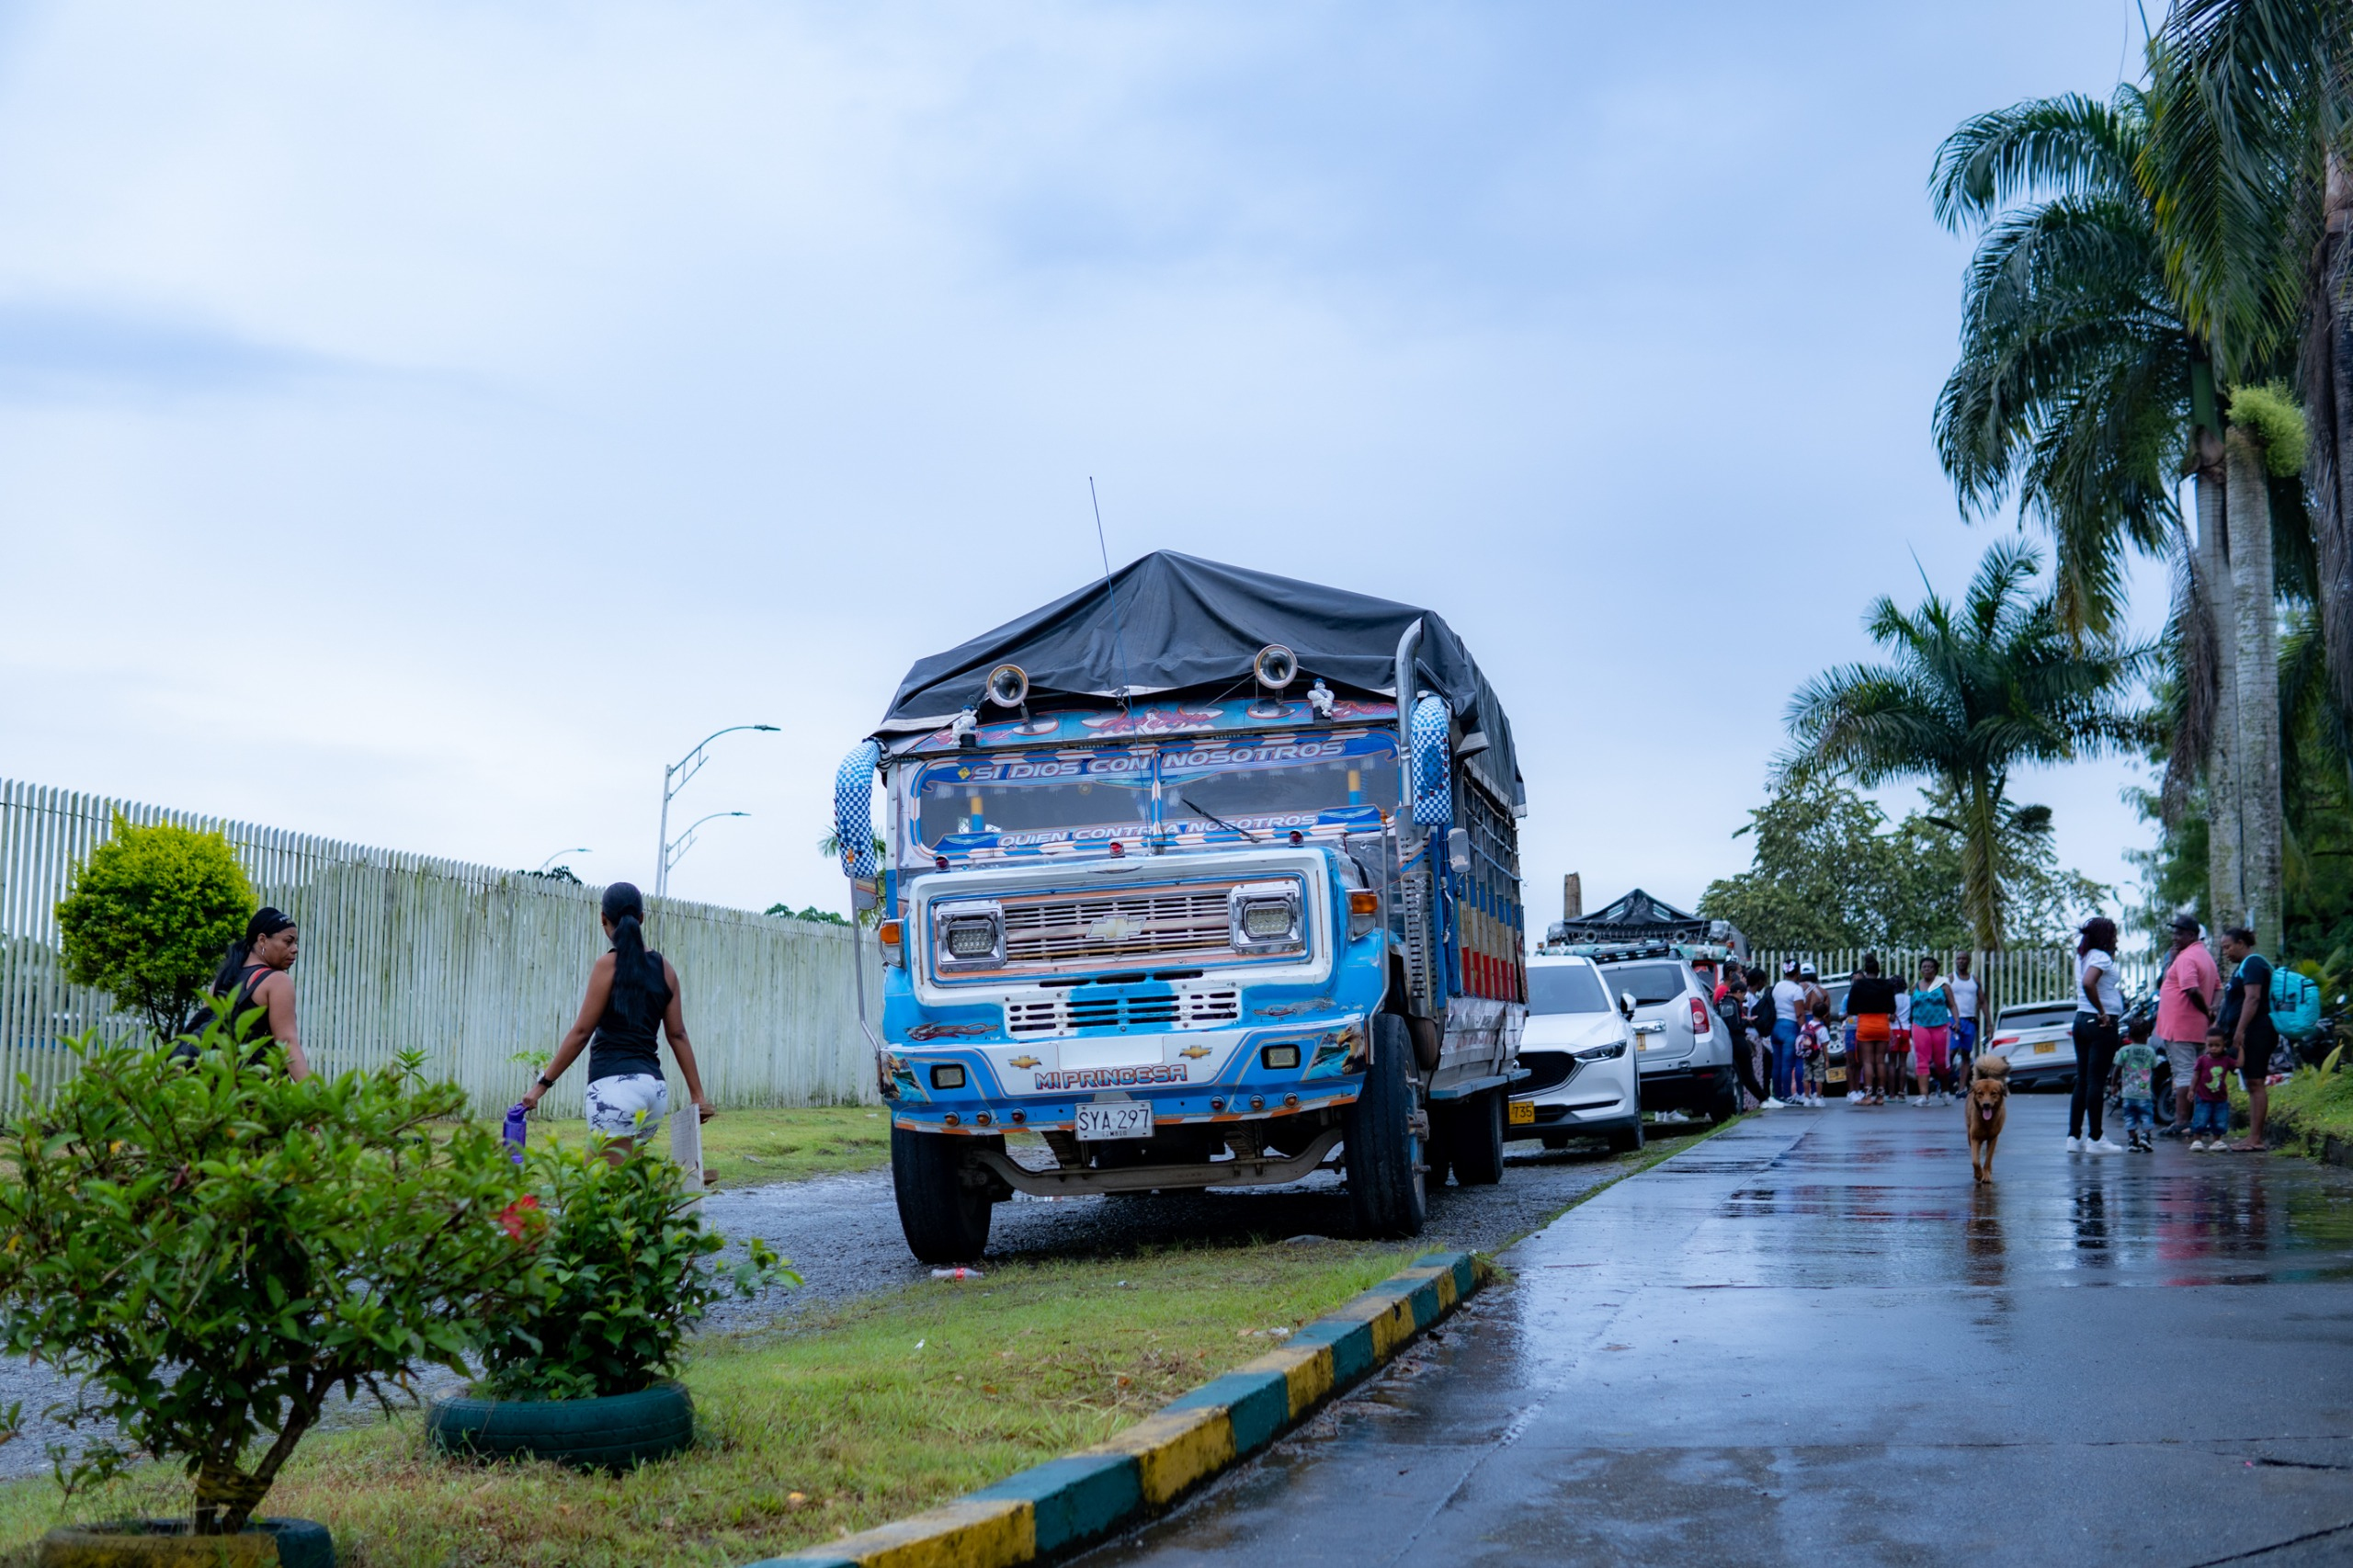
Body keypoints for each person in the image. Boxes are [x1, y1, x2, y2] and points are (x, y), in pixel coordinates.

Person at [522, 881, 714, 1159]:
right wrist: (698, 1096)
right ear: (641, 918)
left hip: (615, 1092)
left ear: (603, 919)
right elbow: (678, 1035)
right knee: (625, 1186)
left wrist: (542, 1085)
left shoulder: (607, 966)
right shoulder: (665, 969)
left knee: (599, 1191)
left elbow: (581, 1032)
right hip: (654, 1092)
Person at [195, 906, 311, 1078]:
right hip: (256, 1091)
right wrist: (312, 1094)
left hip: (218, 1091)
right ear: (262, 940)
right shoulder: (278, 981)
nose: (295, 949)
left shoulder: (224, 979)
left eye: (296, 943)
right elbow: (287, 1042)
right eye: (288, 941)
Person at [2154, 915, 2221, 1137]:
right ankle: (2196, 1120)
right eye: (2174, 933)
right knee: (2197, 1073)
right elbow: (2220, 988)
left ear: (2192, 936)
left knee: (2183, 1074)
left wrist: (2207, 1010)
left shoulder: (2186, 958)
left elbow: (2191, 989)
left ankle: (2182, 1121)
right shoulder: (2206, 956)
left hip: (2180, 1026)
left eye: (2179, 933)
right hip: (2198, 1027)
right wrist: (2212, 1011)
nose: (2174, 937)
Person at [2216, 925, 2277, 1152]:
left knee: (2256, 1082)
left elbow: (2252, 999)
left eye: (2228, 946)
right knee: (2252, 1083)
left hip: (2257, 1031)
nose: (2226, 952)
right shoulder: (2244, 966)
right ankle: (2253, 1136)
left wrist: (2240, 1032)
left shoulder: (2252, 963)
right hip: (2250, 1031)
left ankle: (2256, 1138)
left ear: (2241, 943)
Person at [2070, 916, 2125, 1153]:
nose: (2116, 938)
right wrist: (2102, 1012)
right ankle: (2096, 1138)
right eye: (2113, 934)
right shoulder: (2099, 957)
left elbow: (2091, 983)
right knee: (2095, 1081)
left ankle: (2073, 1137)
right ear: (2105, 936)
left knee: (2082, 1080)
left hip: (2082, 1019)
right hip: (2100, 1023)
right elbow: (2088, 983)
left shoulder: (2083, 956)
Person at [1845, 952, 1897, 1106]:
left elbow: (1851, 1009)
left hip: (1865, 1025)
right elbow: (1892, 1008)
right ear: (1878, 970)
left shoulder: (1859, 985)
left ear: (1865, 971)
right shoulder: (1887, 985)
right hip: (1882, 1025)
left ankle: (1867, 1096)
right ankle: (1880, 1096)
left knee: (1867, 1062)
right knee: (1880, 1062)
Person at [1717, 969, 1770, 1111]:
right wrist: (1746, 1022)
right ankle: (1764, 1099)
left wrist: (1744, 1019)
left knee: (1740, 1076)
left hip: (1728, 1043)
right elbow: (1734, 1026)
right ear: (1739, 992)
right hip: (1738, 1042)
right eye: (1743, 995)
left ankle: (1761, 1099)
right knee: (1748, 1075)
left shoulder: (1725, 1003)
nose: (1744, 998)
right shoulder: (1732, 1004)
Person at [1908, 957, 1956, 1107]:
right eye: (1924, 967)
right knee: (1922, 1060)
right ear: (1920, 969)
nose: (1927, 969)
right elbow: (1911, 1008)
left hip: (1940, 1026)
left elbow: (1952, 1005)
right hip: (1920, 1025)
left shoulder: (1943, 986)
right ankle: (1924, 1096)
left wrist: (1957, 1022)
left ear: (1936, 970)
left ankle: (1945, 1091)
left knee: (1941, 1062)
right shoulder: (1915, 987)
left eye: (1930, 967)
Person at [2113, 1013, 2159, 1152]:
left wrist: (2113, 1084)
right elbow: (2155, 1067)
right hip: (2144, 1093)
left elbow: (2117, 1068)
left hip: (2128, 1094)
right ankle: (2145, 1137)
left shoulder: (2124, 1051)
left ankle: (2132, 1140)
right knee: (2146, 1115)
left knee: (2129, 1117)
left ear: (2129, 1036)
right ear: (2147, 1035)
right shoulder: (2150, 1051)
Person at [2188, 1030, 2235, 1152]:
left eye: (2217, 1045)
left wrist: (2241, 1048)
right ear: (2206, 1045)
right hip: (2203, 1097)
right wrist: (2191, 1090)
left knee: (2220, 1120)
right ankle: (2197, 1140)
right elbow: (2196, 1076)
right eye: (2210, 1045)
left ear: (2223, 1045)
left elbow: (2239, 1065)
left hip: (2220, 1098)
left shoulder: (2226, 1060)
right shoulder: (2202, 1060)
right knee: (2200, 1119)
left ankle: (2216, 1141)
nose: (2214, 1048)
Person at [1769, 960, 1808, 1108]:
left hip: (1777, 1026)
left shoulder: (1778, 986)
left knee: (1777, 1064)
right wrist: (1804, 1030)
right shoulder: (1797, 990)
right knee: (1788, 1064)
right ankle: (1788, 1095)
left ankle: (1777, 1094)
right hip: (1790, 1027)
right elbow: (1799, 1013)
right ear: (1798, 973)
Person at [1949, 954, 1982, 1082]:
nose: (1961, 961)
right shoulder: (1950, 978)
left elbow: (1983, 1001)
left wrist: (1989, 1023)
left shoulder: (1974, 979)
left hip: (1970, 1020)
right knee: (1951, 1053)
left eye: (1963, 958)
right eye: (1958, 958)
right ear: (1955, 961)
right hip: (1953, 1019)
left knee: (1966, 1054)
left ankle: (1961, 1088)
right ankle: (1945, 1083)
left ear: (1968, 961)